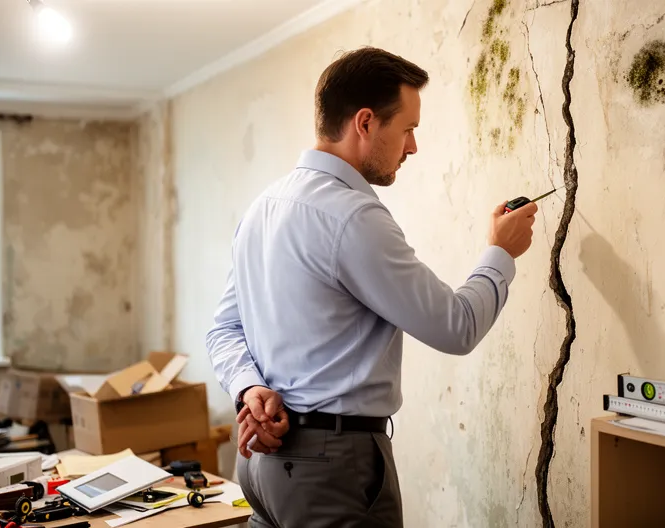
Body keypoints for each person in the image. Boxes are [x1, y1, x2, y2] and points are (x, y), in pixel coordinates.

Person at [205, 46, 538, 527]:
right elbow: (456, 327)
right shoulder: (353, 216)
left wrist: (249, 386)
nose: (413, 148)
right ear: (365, 123)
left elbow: (223, 330)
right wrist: (501, 253)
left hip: (261, 465)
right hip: (331, 469)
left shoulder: (263, 206)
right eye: (408, 129)